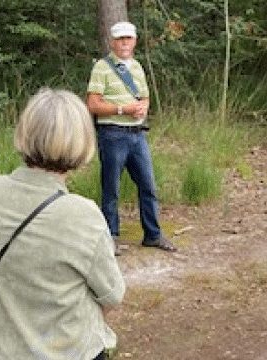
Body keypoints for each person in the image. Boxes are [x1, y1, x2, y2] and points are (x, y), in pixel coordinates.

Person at [0, 88, 125, 360]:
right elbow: (112, 294)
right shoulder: (83, 215)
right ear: (82, 141)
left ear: (24, 131)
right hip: (70, 351)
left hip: (4, 349)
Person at [87, 21, 175, 254]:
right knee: (111, 189)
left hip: (137, 135)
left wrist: (143, 108)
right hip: (112, 134)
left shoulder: (136, 66)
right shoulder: (102, 68)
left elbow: (145, 97)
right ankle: (111, 236)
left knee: (148, 186)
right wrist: (122, 110)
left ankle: (153, 235)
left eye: (128, 38)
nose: (125, 43)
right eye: (120, 39)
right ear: (112, 42)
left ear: (135, 41)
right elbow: (93, 104)